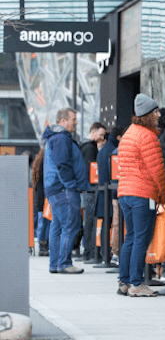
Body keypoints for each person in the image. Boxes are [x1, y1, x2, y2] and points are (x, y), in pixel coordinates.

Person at [117, 94, 165, 297]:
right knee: (141, 238)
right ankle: (137, 284)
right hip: (142, 193)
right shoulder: (148, 136)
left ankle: (124, 281)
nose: (159, 114)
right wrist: (163, 195)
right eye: (155, 111)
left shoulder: (129, 134)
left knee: (130, 237)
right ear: (147, 114)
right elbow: (157, 171)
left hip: (125, 193)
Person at [43, 108, 90, 274]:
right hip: (64, 189)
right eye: (73, 119)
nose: (76, 122)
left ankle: (55, 264)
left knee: (57, 226)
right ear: (63, 121)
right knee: (71, 225)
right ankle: (64, 263)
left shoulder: (55, 138)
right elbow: (63, 164)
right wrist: (71, 185)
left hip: (56, 188)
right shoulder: (61, 138)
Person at [80, 122, 106, 263]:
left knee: (88, 220)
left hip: (87, 188)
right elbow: (92, 168)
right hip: (91, 188)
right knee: (91, 220)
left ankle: (88, 251)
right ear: (93, 132)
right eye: (101, 134)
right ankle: (89, 252)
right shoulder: (90, 148)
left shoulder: (85, 146)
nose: (102, 138)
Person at [97, 126, 125, 258]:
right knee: (115, 223)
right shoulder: (114, 151)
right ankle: (112, 253)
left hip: (103, 191)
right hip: (112, 192)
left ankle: (104, 253)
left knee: (106, 223)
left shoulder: (103, 151)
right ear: (119, 137)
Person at [32, 149, 49, 256]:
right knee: (45, 222)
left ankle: (42, 246)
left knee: (42, 222)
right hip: (45, 197)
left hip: (40, 197)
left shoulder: (38, 163)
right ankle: (44, 245)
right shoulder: (45, 163)